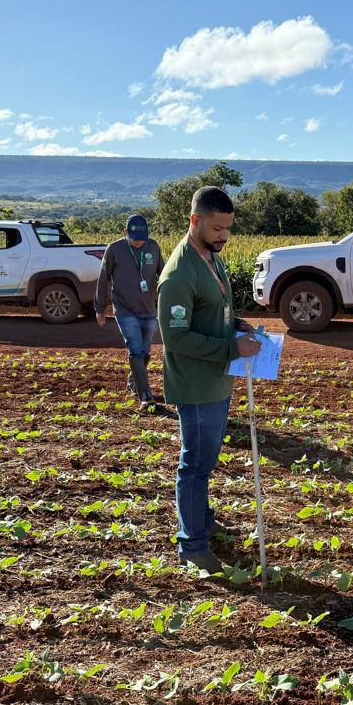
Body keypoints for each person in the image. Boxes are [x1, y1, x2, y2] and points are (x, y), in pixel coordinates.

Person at [157, 186, 261, 572]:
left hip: (217, 379)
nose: (224, 236)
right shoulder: (179, 274)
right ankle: (193, 544)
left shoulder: (210, 258)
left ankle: (200, 519)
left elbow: (213, 310)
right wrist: (233, 349)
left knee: (205, 460)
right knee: (195, 466)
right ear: (195, 221)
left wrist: (236, 324)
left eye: (228, 229)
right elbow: (176, 336)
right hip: (197, 385)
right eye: (218, 228)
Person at [96, 214, 165, 410]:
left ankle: (134, 381)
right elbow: (103, 278)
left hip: (149, 309)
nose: (139, 243)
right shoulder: (115, 249)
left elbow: (164, 272)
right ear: (125, 233)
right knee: (135, 349)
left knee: (146, 350)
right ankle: (146, 396)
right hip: (125, 309)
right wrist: (100, 308)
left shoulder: (153, 246)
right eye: (135, 239)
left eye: (142, 238)